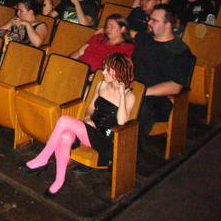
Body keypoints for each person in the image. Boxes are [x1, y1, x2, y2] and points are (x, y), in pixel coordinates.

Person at [21, 53, 136, 197]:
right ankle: (59, 180)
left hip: (105, 139)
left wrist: (122, 95)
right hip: (89, 130)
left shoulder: (129, 96)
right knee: (65, 136)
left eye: (108, 70)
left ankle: (43, 158)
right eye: (104, 68)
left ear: (118, 72)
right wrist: (87, 118)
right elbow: (90, 109)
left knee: (64, 120)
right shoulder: (101, 85)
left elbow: (121, 122)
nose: (103, 72)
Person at [133, 5, 193, 150]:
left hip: (158, 99)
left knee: (142, 108)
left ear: (168, 25)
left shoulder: (180, 51)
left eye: (154, 20)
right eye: (150, 19)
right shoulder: (144, 39)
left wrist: (143, 92)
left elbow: (175, 86)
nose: (149, 22)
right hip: (135, 88)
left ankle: (130, 153)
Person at [70, 14, 134, 74]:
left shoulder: (127, 48)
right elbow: (79, 52)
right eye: (107, 26)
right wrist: (68, 62)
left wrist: (96, 76)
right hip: (77, 68)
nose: (108, 29)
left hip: (94, 75)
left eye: (112, 27)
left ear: (122, 29)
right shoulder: (99, 37)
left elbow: (118, 71)